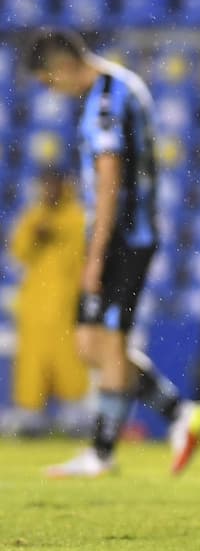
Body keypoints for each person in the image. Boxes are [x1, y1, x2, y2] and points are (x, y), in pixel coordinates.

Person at [24, 30, 200, 478]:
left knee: (109, 345)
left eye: (50, 82)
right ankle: (179, 413)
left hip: (125, 239)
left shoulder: (105, 101)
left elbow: (109, 176)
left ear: (62, 67)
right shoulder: (117, 86)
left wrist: (96, 253)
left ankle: (102, 452)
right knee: (92, 344)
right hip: (124, 237)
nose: (54, 91)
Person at [6, 168, 90, 435]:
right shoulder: (33, 217)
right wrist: (35, 233)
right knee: (32, 364)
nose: (49, 191)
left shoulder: (76, 217)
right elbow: (18, 251)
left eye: (54, 185)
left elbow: (79, 254)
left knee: (68, 362)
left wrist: (52, 230)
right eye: (45, 185)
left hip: (65, 306)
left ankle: (74, 417)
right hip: (34, 307)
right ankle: (31, 417)